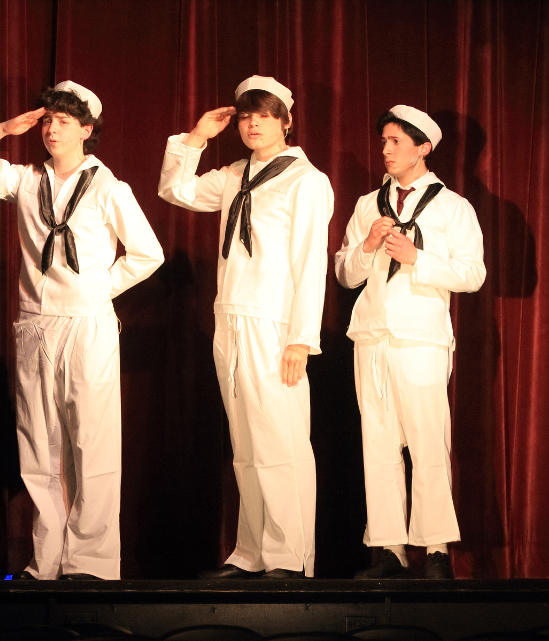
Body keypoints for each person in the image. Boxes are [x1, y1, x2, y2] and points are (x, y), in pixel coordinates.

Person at [0, 81, 164, 581]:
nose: (51, 129)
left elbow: (149, 253)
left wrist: (97, 289)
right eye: (47, 121)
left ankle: (91, 562)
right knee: (39, 443)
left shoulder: (109, 187)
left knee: (92, 440)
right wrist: (3, 129)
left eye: (64, 121)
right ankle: (45, 559)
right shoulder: (25, 180)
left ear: (87, 130)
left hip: (87, 324)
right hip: (36, 322)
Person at [159, 75, 333, 579]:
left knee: (280, 440)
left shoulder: (305, 180)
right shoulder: (235, 173)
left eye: (263, 114)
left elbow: (309, 264)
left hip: (275, 323)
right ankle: (251, 553)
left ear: (286, 120)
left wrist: (302, 336)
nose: (253, 124)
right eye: (245, 115)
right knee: (247, 444)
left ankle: (289, 556)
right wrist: (195, 140)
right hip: (230, 317)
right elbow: (175, 190)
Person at [334, 106, 485, 580]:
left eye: (396, 141)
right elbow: (343, 273)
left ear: (424, 147)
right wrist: (365, 248)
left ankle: (436, 549)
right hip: (371, 334)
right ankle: (388, 549)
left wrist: (418, 258)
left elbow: (473, 274)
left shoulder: (452, 206)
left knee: (427, 442)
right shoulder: (366, 205)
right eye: (382, 141)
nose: (385, 150)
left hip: (421, 336)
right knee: (377, 444)